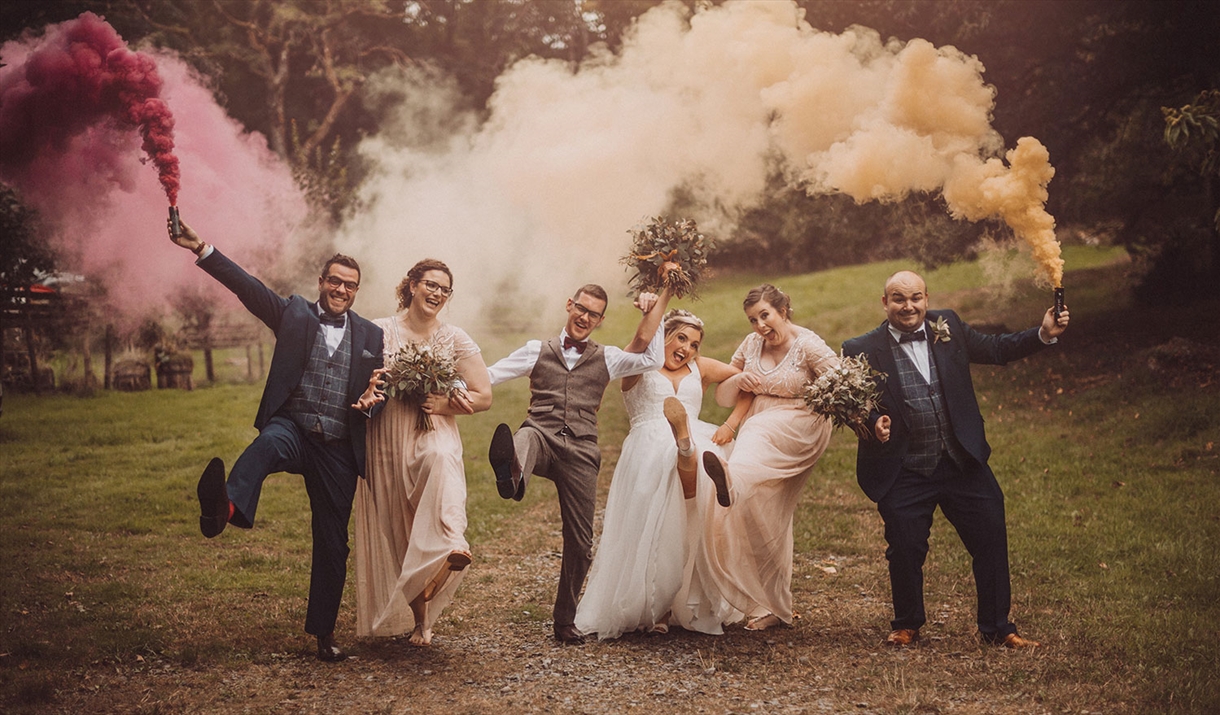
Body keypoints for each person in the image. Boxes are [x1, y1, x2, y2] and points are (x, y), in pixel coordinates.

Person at [168, 218, 385, 662]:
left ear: (356, 291)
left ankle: (324, 634)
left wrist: (371, 404)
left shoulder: (371, 335)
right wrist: (200, 246)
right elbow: (246, 287)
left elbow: (378, 389)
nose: (342, 289)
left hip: (339, 446)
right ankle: (222, 508)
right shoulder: (294, 313)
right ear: (321, 282)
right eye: (335, 281)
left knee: (332, 541)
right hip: (294, 427)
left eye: (351, 285)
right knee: (266, 445)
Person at [841, 270, 1070, 649]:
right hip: (905, 467)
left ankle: (998, 628)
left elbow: (997, 349)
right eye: (899, 299)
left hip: (961, 459)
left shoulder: (949, 327)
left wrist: (1043, 333)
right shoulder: (860, 348)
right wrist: (870, 423)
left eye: (915, 297)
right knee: (905, 545)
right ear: (885, 304)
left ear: (927, 299)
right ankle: (907, 622)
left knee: (991, 536)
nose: (908, 306)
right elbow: (850, 403)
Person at [487, 279, 672, 644]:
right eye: (581, 309)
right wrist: (453, 388)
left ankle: (564, 620)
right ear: (569, 304)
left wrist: (655, 313)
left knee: (581, 542)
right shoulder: (535, 350)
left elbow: (653, 359)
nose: (585, 317)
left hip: (581, 451)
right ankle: (512, 475)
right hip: (542, 436)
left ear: (600, 320)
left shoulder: (607, 357)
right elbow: (491, 374)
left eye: (593, 314)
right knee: (523, 436)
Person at [574, 309, 752, 639]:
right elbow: (641, 339)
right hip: (648, 439)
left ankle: (690, 452)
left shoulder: (700, 368)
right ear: (664, 336)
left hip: (696, 435)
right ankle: (656, 607)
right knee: (661, 511)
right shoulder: (639, 363)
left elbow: (748, 382)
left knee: (697, 491)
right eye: (681, 338)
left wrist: (731, 424)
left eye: (695, 344)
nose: (687, 349)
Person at [354, 259, 492, 647]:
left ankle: (454, 540)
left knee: (441, 459)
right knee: (402, 529)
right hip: (386, 436)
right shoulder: (378, 332)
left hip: (434, 428)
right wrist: (368, 390)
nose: (437, 294)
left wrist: (445, 403)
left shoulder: (455, 338)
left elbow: (484, 396)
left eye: (444, 290)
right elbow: (359, 383)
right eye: (430, 285)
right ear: (411, 285)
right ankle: (421, 622)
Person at [699, 284, 839, 632]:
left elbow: (841, 385)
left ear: (783, 310)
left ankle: (732, 479)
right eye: (753, 320)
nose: (760, 326)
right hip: (760, 422)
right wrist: (741, 378)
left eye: (765, 315)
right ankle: (773, 606)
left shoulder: (808, 345)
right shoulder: (751, 345)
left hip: (798, 426)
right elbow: (724, 397)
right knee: (765, 513)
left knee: (756, 437)